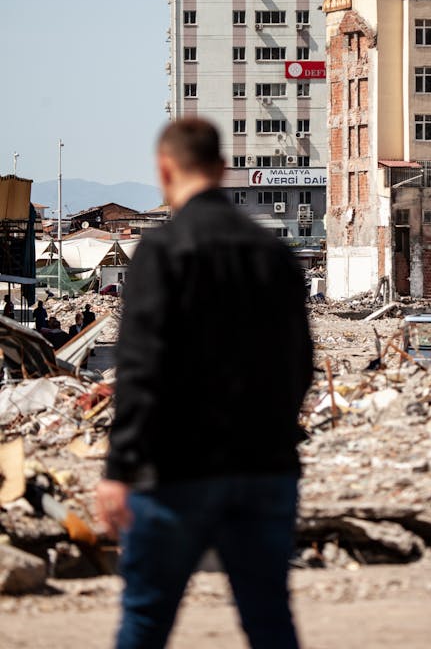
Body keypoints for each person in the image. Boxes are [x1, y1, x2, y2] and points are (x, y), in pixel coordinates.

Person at [95, 117, 314, 649]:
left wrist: (121, 466)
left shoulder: (163, 250)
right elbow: (300, 363)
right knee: (269, 621)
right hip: (265, 470)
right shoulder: (275, 254)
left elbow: (142, 369)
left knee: (146, 621)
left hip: (176, 472)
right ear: (221, 170)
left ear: (165, 170)